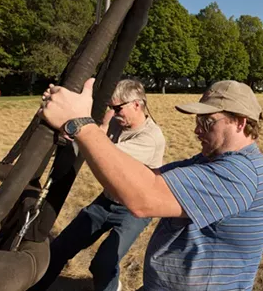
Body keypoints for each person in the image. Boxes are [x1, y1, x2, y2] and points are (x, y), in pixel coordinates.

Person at [38, 78, 263, 290]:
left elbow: (143, 198)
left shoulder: (239, 174)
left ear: (240, 122)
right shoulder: (210, 160)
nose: (197, 129)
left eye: (207, 122)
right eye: (198, 120)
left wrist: (79, 124)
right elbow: (148, 178)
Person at [30, 79, 166, 291]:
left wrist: (72, 127)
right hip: (106, 201)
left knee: (103, 263)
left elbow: (106, 153)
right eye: (111, 108)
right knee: (59, 250)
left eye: (117, 108)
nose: (113, 112)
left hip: (134, 209)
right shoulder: (116, 122)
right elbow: (98, 136)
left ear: (137, 104)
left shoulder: (151, 137)